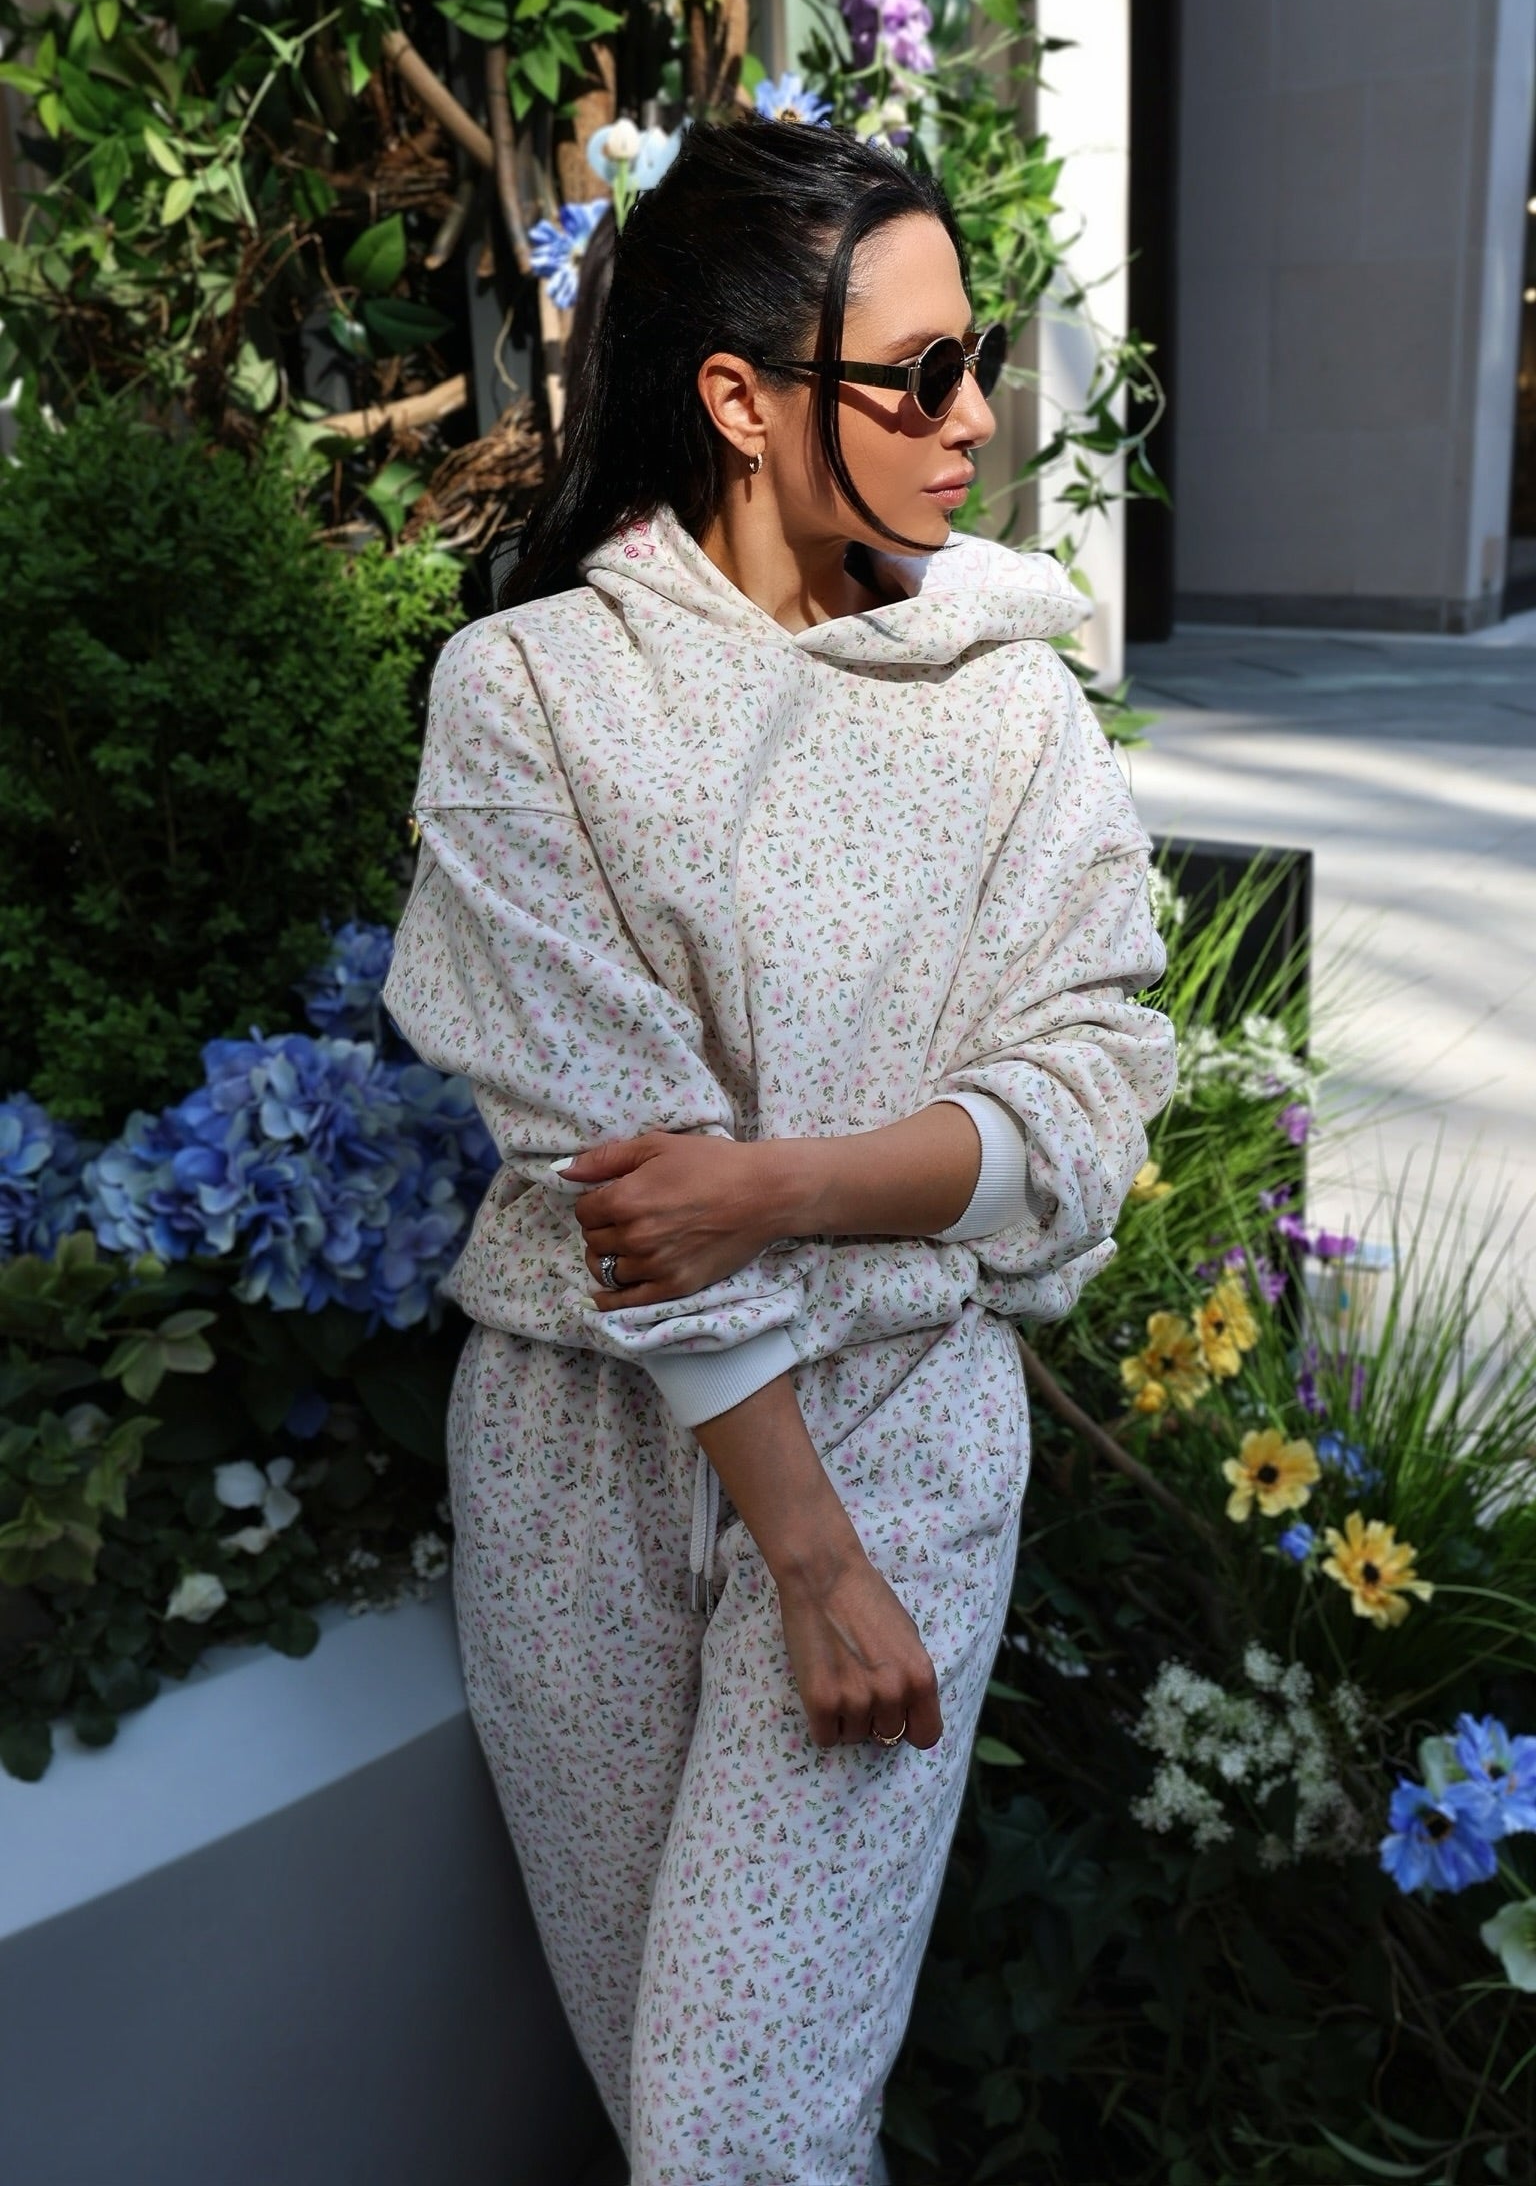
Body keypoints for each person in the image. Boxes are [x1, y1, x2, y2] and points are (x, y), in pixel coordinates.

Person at [383, 114, 1176, 2185]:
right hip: (577, 1456)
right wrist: (782, 1496)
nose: (976, 418)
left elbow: (1089, 1092)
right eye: (920, 373)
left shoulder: (1014, 705)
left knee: (741, 2134)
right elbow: (610, 1156)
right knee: (676, 2108)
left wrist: (787, 1191)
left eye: (976, 358)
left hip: (900, 1425)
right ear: (740, 401)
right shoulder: (527, 695)